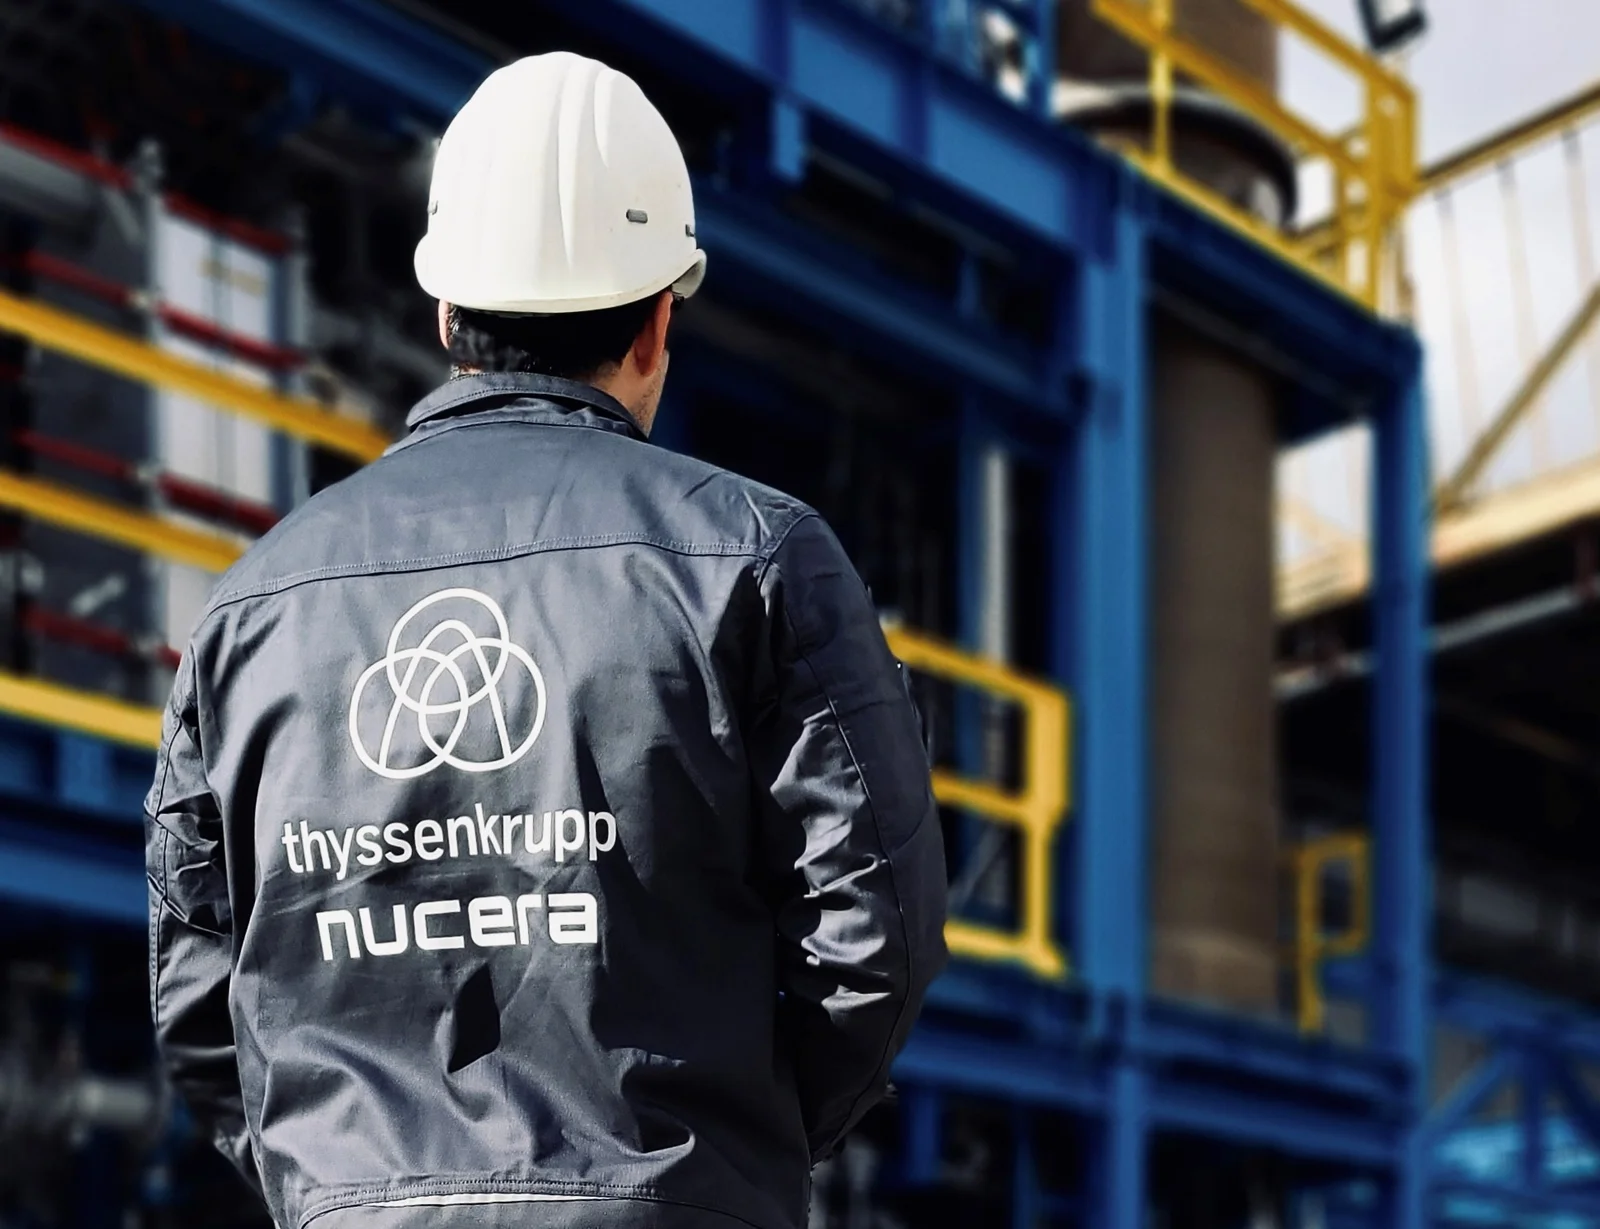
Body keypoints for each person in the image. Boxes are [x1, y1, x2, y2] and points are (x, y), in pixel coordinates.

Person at [145, 51, 948, 1229]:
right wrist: (723, 1150)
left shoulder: (252, 606)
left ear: (444, 310)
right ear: (658, 320)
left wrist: (338, 1183)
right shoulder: (757, 559)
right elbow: (876, 932)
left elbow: (196, 985)